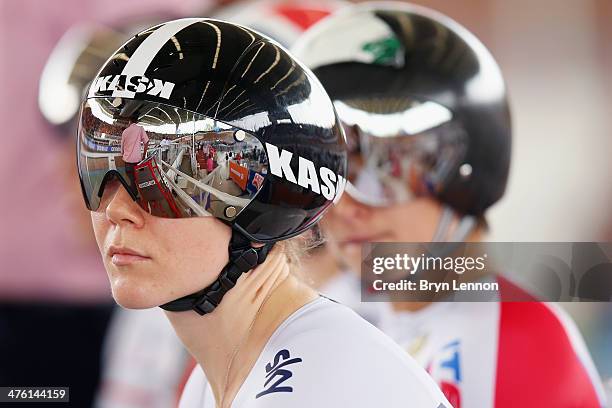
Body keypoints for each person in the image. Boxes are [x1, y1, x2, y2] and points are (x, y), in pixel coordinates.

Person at [76, 18, 451, 408]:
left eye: (171, 177)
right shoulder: (220, 378)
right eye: (99, 166)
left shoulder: (315, 384)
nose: (117, 209)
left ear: (265, 204)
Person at [292, 3, 608, 407]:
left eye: (380, 169)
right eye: (326, 174)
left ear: (465, 170)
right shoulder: (356, 321)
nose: (347, 208)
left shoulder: (513, 340)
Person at [121, 119, 150, 192]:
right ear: (136, 121)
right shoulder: (140, 129)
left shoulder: (125, 131)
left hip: (127, 161)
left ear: (129, 121)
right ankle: (138, 193)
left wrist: (123, 154)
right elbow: (146, 142)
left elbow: (122, 148)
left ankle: (134, 194)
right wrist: (143, 155)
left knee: (131, 179)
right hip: (137, 161)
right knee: (138, 178)